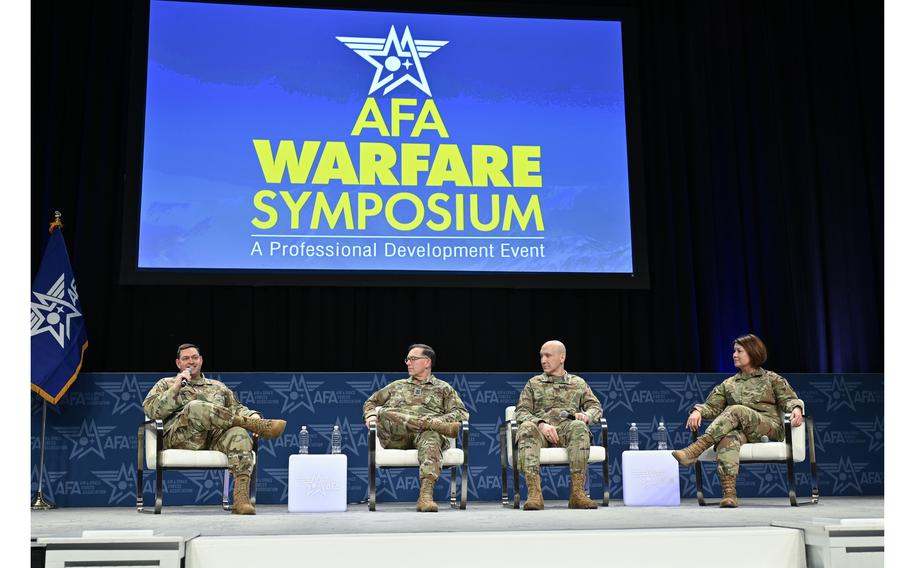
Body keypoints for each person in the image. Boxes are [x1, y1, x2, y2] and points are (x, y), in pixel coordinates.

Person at [142, 343, 287, 515]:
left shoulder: (217, 387)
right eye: (185, 358)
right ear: (178, 363)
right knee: (195, 407)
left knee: (238, 434)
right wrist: (175, 387)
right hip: (180, 438)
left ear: (201, 360)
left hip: (212, 439)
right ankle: (255, 426)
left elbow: (238, 408)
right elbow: (150, 410)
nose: (191, 361)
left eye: (194, 357)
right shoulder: (166, 384)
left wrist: (254, 415)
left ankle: (241, 501)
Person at [672, 333, 803, 508]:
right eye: (734, 351)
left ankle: (695, 449)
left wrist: (796, 408)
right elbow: (712, 407)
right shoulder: (729, 384)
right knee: (728, 438)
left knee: (736, 409)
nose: (734, 355)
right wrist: (697, 410)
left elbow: (789, 399)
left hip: (768, 428)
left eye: (739, 351)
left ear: (752, 352)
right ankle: (729, 494)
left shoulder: (771, 378)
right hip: (742, 431)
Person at [363, 344, 468, 512]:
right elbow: (371, 402)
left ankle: (425, 497)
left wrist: (436, 420)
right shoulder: (397, 386)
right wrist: (370, 415)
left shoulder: (443, 388)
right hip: (397, 436)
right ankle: (428, 423)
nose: (408, 363)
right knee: (384, 412)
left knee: (431, 435)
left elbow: (461, 413)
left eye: (412, 359)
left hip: (426, 436)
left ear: (427, 362)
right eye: (407, 359)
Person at [514, 340, 602, 510]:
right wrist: (541, 425)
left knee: (579, 427)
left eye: (548, 355)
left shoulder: (578, 383)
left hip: (567, 430)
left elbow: (595, 407)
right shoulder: (533, 383)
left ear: (562, 357)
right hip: (540, 433)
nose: (543, 360)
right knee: (525, 427)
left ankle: (577, 494)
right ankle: (534, 494)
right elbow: (521, 412)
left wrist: (586, 416)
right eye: (541, 356)